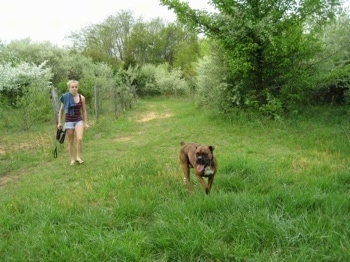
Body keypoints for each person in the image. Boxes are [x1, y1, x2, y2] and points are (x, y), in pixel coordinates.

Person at [57, 80, 89, 165]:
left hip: (78, 120)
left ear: (78, 87)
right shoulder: (65, 97)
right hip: (69, 121)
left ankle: (78, 157)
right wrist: (59, 122)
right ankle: (72, 159)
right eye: (72, 87)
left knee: (79, 138)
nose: (74, 88)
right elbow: (61, 110)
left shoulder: (82, 98)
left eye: (76, 87)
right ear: (69, 88)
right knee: (71, 141)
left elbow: (84, 111)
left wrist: (85, 122)